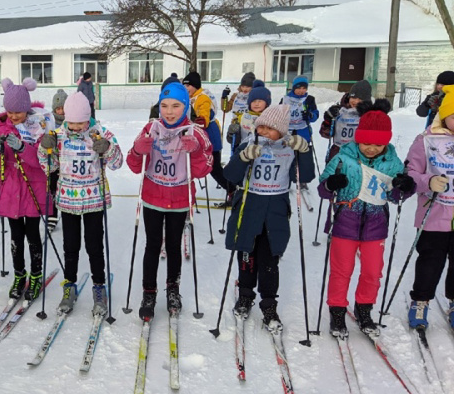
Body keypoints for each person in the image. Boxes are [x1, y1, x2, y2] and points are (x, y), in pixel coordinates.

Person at [317, 102, 412, 337]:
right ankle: (337, 311)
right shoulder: (343, 158)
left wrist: (405, 187)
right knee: (342, 271)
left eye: (378, 144)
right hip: (345, 223)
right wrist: (331, 184)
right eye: (366, 142)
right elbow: (323, 189)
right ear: (358, 138)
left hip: (375, 225)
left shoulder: (392, 163)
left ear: (386, 142)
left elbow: (394, 195)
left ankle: (364, 308)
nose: (371, 148)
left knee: (372, 271)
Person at [126, 80, 213, 319]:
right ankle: (149, 292)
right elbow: (134, 165)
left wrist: (194, 150)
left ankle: (173, 289)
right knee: (153, 245)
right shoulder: (151, 128)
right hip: (153, 196)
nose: (169, 111)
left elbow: (205, 168)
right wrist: (137, 150)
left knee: (174, 246)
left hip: (179, 198)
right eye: (164, 105)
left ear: (185, 106)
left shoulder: (195, 132)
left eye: (176, 105)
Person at [223, 104, 315, 329]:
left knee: (270, 258)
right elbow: (230, 176)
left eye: (270, 128)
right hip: (250, 204)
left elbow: (306, 176)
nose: (263, 131)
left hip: (275, 208)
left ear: (282, 131)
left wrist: (304, 151)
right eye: (260, 126)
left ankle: (269, 302)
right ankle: (245, 294)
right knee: (246, 252)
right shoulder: (250, 143)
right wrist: (243, 157)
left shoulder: (288, 147)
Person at [38, 92, 123, 315]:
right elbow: (49, 166)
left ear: (88, 118)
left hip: (94, 199)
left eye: (80, 123)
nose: (75, 128)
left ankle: (99, 287)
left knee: (95, 246)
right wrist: (44, 148)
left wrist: (107, 148)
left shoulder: (99, 133)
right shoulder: (58, 134)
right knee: (70, 247)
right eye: (71, 123)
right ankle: (69, 286)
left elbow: (117, 163)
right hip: (67, 200)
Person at [0, 77, 55, 300]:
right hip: (11, 189)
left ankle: (35, 275)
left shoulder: (38, 127)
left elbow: (41, 162)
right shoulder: (2, 128)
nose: (14, 116)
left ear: (26, 108)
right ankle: (19, 274)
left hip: (32, 188)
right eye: (11, 111)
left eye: (18, 111)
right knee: (16, 236)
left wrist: (23, 148)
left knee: (33, 235)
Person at [405, 90, 454, 329]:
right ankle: (421, 300)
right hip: (434, 215)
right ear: (444, 116)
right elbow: (411, 173)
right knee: (430, 261)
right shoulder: (426, 139)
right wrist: (428, 182)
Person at [184, 71, 233, 198]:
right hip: (201, 134)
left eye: (188, 85)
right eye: (184, 86)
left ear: (195, 85)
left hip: (209, 135)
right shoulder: (192, 97)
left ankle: (233, 190)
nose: (186, 88)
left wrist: (201, 120)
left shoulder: (202, 97)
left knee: (214, 168)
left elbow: (205, 113)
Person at [319, 80, 376, 162]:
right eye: (353, 97)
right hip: (338, 153)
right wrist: (328, 120)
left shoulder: (371, 114)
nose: (355, 101)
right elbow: (325, 134)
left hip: (359, 155)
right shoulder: (339, 110)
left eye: (360, 99)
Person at [226, 80, 270, 153]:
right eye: (253, 101)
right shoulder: (242, 117)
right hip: (244, 153)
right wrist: (232, 133)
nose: (256, 104)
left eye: (260, 101)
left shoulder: (271, 117)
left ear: (267, 103)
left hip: (265, 155)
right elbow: (233, 141)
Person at [48, 88, 69, 231]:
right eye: (58, 108)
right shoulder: (50, 122)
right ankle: (52, 215)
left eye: (64, 108)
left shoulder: (72, 122)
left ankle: (68, 211)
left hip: (67, 162)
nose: (61, 111)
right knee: (52, 188)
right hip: (54, 162)